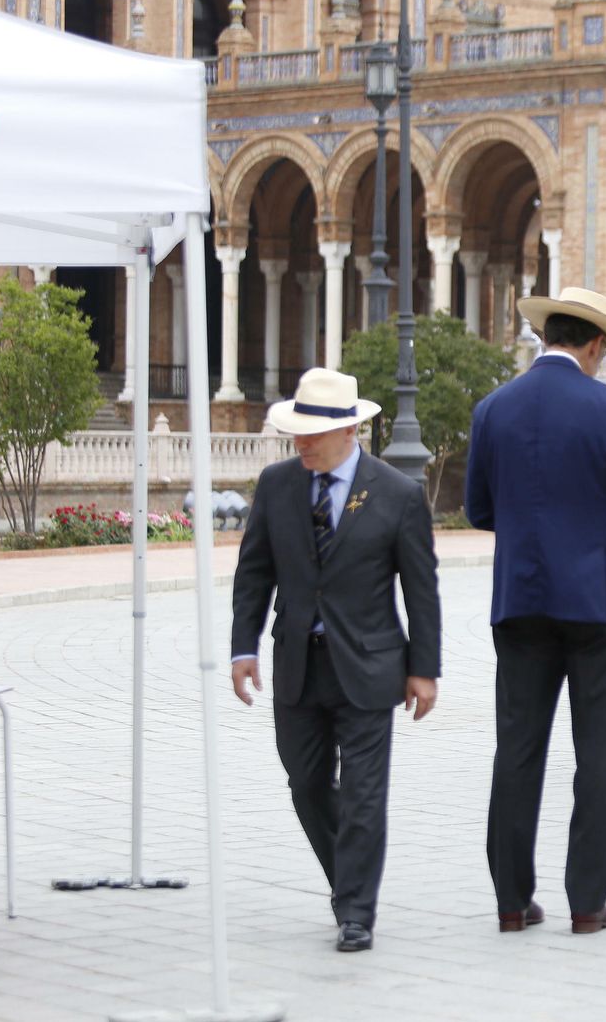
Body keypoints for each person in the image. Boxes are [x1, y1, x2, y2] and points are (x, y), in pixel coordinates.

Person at [466, 286, 606, 936]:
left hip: (520, 599)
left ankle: (510, 900)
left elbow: (478, 510)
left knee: (516, 751)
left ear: (544, 337)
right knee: (594, 753)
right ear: (596, 345)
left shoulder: (493, 408)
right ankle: (586, 902)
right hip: (597, 604)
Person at [229, 368, 440, 953]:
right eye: (295, 432)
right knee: (306, 784)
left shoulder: (397, 494)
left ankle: (355, 910)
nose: (301, 443)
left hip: (371, 668)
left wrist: (424, 668)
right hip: (298, 663)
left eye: (312, 434)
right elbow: (254, 573)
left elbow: (421, 589)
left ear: (350, 429)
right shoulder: (276, 485)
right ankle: (346, 877)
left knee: (366, 793)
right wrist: (243, 647)